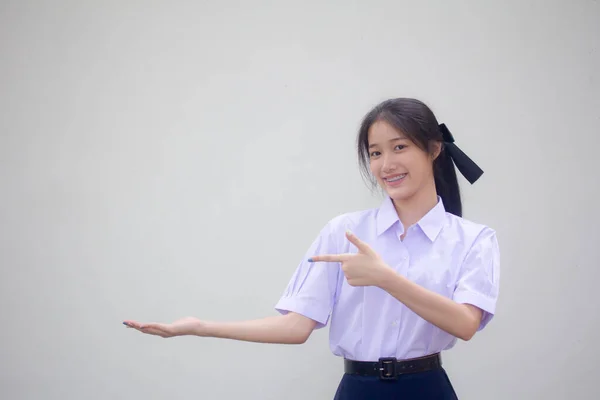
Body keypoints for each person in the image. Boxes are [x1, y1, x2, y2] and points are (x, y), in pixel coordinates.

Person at [123, 97, 500, 399]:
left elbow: (465, 324)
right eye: (375, 153)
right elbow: (296, 326)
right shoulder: (345, 231)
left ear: (434, 149)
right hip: (357, 391)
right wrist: (198, 327)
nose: (387, 164)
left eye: (399, 147)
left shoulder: (474, 239)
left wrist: (385, 278)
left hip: (427, 390)